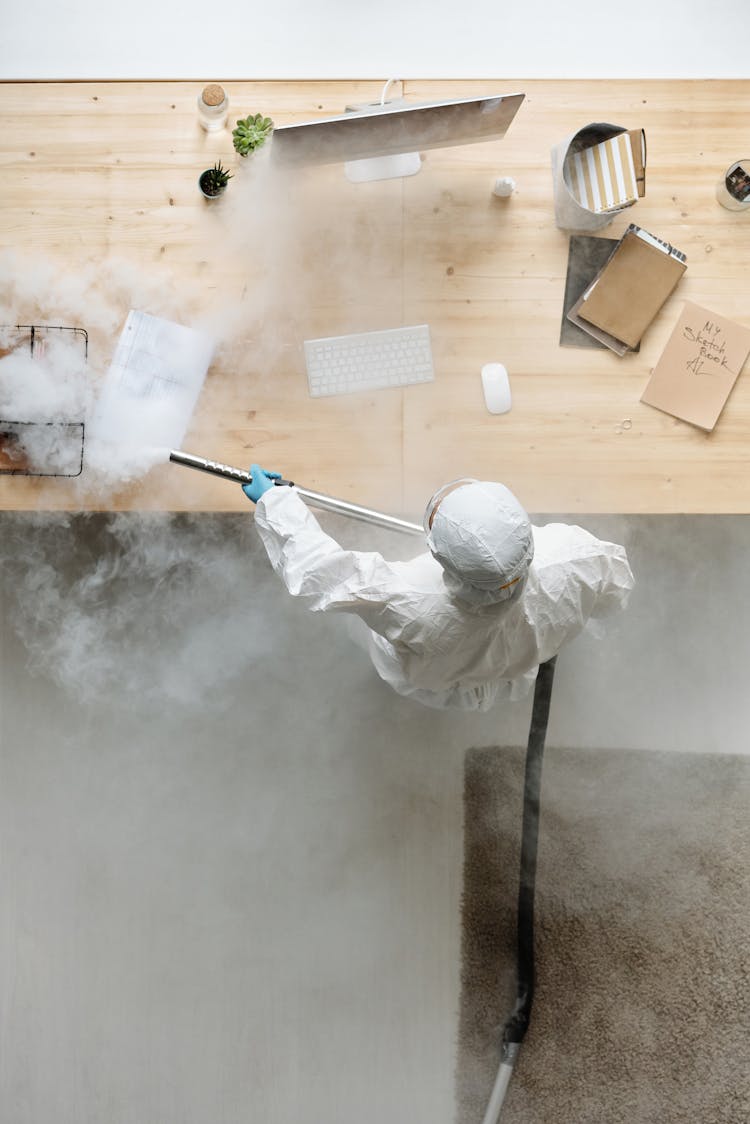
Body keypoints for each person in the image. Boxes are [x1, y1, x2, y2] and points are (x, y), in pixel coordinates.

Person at [243, 467, 634, 712]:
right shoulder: (576, 556)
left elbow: (319, 574)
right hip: (519, 666)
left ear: (440, 559)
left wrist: (276, 502)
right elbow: (615, 594)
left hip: (435, 677)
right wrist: (566, 613)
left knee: (359, 625)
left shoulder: (405, 598)